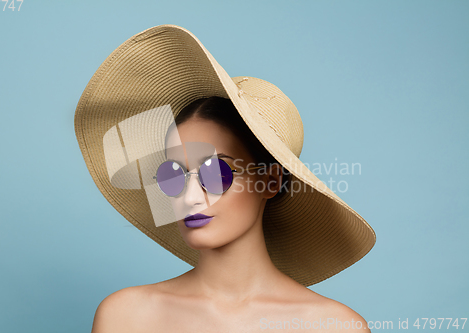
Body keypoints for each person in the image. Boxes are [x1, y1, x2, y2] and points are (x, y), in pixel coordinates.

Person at [74, 25, 376, 332]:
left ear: (270, 182)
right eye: (173, 174)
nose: (189, 197)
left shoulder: (335, 327)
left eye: (215, 173)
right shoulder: (125, 317)